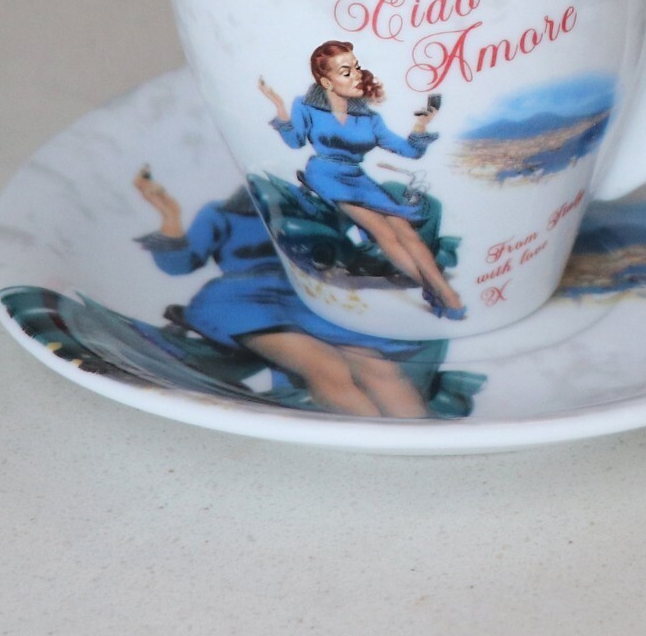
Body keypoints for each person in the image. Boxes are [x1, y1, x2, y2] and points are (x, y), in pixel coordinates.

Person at [131, 169, 430, 417]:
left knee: (380, 367)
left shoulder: (322, 212)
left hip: (306, 298)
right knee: (326, 365)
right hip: (241, 298)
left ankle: (414, 439)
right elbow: (179, 264)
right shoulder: (224, 213)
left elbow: (353, 254)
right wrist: (170, 215)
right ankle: (370, 439)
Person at [259, 39, 467, 320]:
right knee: (383, 232)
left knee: (404, 230)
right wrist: (280, 107)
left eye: (356, 68)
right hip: (325, 174)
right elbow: (295, 142)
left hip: (357, 177)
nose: (357, 75)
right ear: (326, 81)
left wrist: (421, 126)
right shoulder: (306, 106)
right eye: (346, 72)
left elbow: (409, 151)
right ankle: (446, 294)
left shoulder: (369, 118)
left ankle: (436, 290)